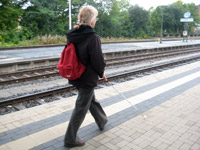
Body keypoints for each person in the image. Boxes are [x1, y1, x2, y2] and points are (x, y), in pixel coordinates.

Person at [64, 5, 108, 148]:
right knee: (81, 107)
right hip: (87, 78)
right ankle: (70, 139)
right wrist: (102, 72)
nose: (96, 20)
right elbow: (97, 59)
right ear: (91, 20)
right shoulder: (92, 36)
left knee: (90, 99)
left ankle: (102, 120)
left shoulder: (72, 35)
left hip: (75, 75)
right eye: (95, 17)